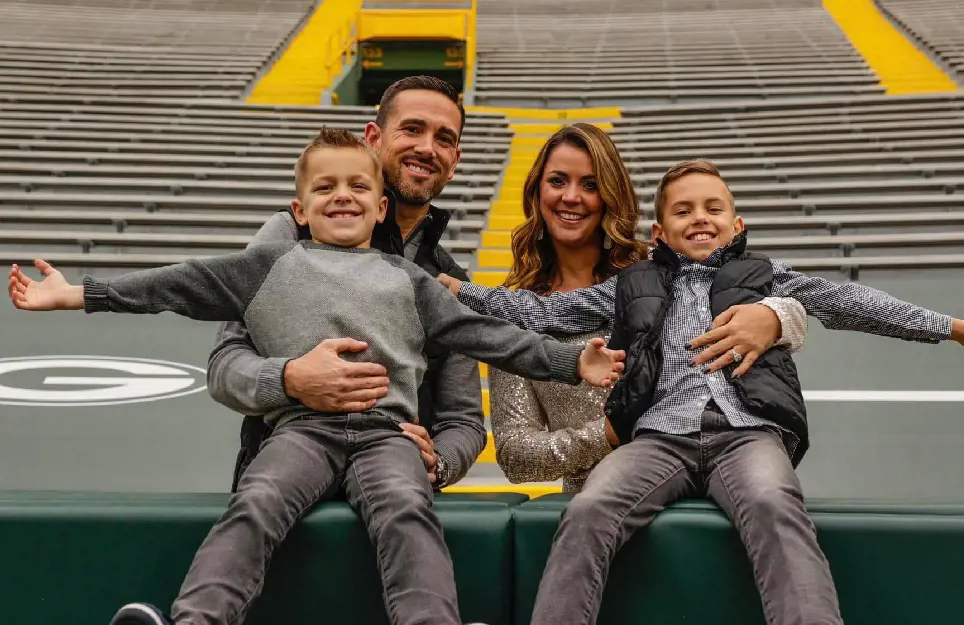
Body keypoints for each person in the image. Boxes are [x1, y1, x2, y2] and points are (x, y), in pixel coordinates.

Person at [7, 129, 625, 625]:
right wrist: (79, 295)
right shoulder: (268, 266)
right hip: (300, 431)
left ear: (381, 204)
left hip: (388, 435)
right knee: (257, 502)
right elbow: (177, 283)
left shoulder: (414, 282)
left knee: (408, 511)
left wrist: (572, 361)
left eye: (358, 185)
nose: (343, 196)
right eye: (325, 187)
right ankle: (197, 616)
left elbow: (488, 337)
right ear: (299, 208)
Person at [441, 158, 964, 625]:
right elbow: (539, 311)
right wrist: (461, 295)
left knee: (774, 505)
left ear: (737, 224)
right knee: (590, 508)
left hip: (745, 433)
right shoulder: (630, 285)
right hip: (657, 439)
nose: (700, 218)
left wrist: (957, 329)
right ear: (658, 232)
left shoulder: (769, 278)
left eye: (713, 207)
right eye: (683, 210)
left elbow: (854, 303)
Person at [486, 124, 808, 492]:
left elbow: (753, 288)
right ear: (536, 191)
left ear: (610, 194)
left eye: (590, 185)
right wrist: (611, 432)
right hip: (601, 505)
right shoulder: (514, 311)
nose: (571, 197)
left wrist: (780, 318)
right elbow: (514, 455)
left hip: (713, 488)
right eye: (557, 181)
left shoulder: (657, 268)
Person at [210, 75, 486, 494]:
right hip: (286, 499)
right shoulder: (288, 236)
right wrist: (290, 379)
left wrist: (441, 462)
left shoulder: (452, 282)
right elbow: (223, 368)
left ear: (455, 158)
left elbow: (464, 420)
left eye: (444, 139)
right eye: (412, 129)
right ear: (373, 137)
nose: (427, 148)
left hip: (394, 497)